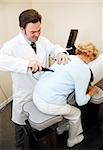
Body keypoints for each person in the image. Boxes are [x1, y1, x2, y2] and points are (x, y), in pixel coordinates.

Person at [0, 9, 68, 149]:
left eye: (39, 30)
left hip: (42, 92)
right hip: (24, 95)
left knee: (42, 125)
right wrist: (26, 64)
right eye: (32, 32)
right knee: (21, 130)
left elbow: (53, 48)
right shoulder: (12, 45)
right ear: (22, 29)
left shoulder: (42, 40)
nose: (37, 35)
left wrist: (60, 52)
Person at [33, 42, 98, 148]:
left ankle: (63, 127)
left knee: (68, 104)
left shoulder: (66, 57)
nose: (90, 62)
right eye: (91, 60)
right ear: (89, 56)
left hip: (37, 94)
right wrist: (91, 92)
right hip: (48, 104)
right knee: (76, 113)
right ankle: (72, 140)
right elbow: (81, 102)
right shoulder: (84, 70)